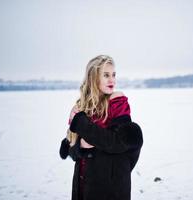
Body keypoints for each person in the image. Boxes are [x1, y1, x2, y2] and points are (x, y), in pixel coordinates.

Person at [59, 55, 143, 200]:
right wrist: (80, 146)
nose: (112, 80)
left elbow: (118, 143)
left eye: (113, 75)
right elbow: (73, 152)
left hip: (111, 188)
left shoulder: (116, 101)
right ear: (93, 78)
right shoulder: (81, 108)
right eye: (106, 75)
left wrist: (82, 125)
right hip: (84, 185)